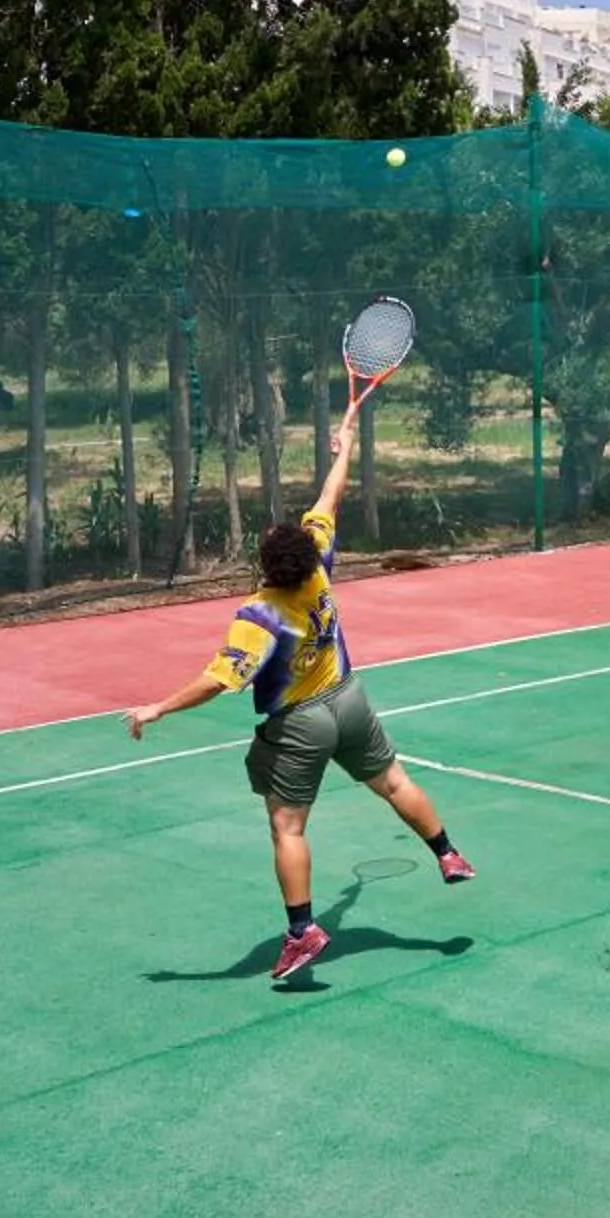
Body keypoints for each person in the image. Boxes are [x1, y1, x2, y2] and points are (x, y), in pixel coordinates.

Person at [124, 418, 471, 982]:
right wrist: (346, 449)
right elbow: (330, 496)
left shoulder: (259, 616)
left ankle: (302, 930)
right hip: (350, 699)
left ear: (266, 566)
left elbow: (219, 680)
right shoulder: (319, 568)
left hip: (303, 724)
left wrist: (157, 707)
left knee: (288, 829)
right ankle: (448, 853)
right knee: (395, 783)